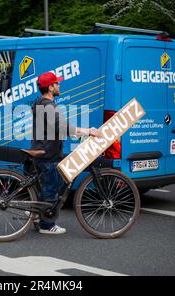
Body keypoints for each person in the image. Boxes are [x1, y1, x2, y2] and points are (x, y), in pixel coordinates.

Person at [31, 72, 101, 234]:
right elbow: (61, 127)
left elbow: (57, 128)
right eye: (56, 83)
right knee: (51, 188)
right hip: (46, 154)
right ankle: (46, 225)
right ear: (50, 87)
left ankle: (36, 213)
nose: (59, 85)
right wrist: (87, 131)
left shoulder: (42, 104)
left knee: (53, 183)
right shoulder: (47, 105)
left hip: (45, 151)